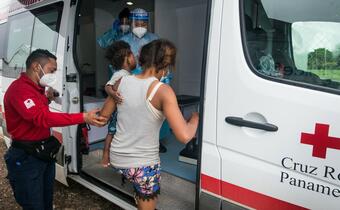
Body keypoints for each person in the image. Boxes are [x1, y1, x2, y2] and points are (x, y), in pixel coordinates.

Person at [100, 39, 199, 210]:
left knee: (137, 184)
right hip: (143, 165)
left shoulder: (122, 81)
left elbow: (103, 116)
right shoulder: (163, 90)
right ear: (167, 65)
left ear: (141, 59)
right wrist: (196, 117)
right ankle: (140, 192)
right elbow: (184, 136)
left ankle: (137, 191)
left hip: (118, 157)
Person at [3, 49, 107, 210]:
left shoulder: (36, 89)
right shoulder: (20, 90)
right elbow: (42, 118)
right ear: (36, 67)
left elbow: (37, 110)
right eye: (52, 70)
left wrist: (46, 99)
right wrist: (83, 117)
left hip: (42, 153)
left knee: (46, 200)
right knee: (33, 204)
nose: (54, 74)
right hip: (26, 157)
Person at [101, 41, 136, 167]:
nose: (135, 57)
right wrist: (113, 94)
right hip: (117, 112)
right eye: (132, 55)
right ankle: (105, 154)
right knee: (111, 132)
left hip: (123, 111)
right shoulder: (119, 74)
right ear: (126, 58)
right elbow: (107, 86)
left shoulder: (128, 75)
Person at [119, 8, 159, 75]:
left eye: (143, 25)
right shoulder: (123, 41)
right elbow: (117, 64)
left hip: (150, 78)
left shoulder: (154, 39)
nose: (140, 27)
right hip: (130, 79)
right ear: (131, 23)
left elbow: (160, 60)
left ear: (147, 24)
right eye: (136, 25)